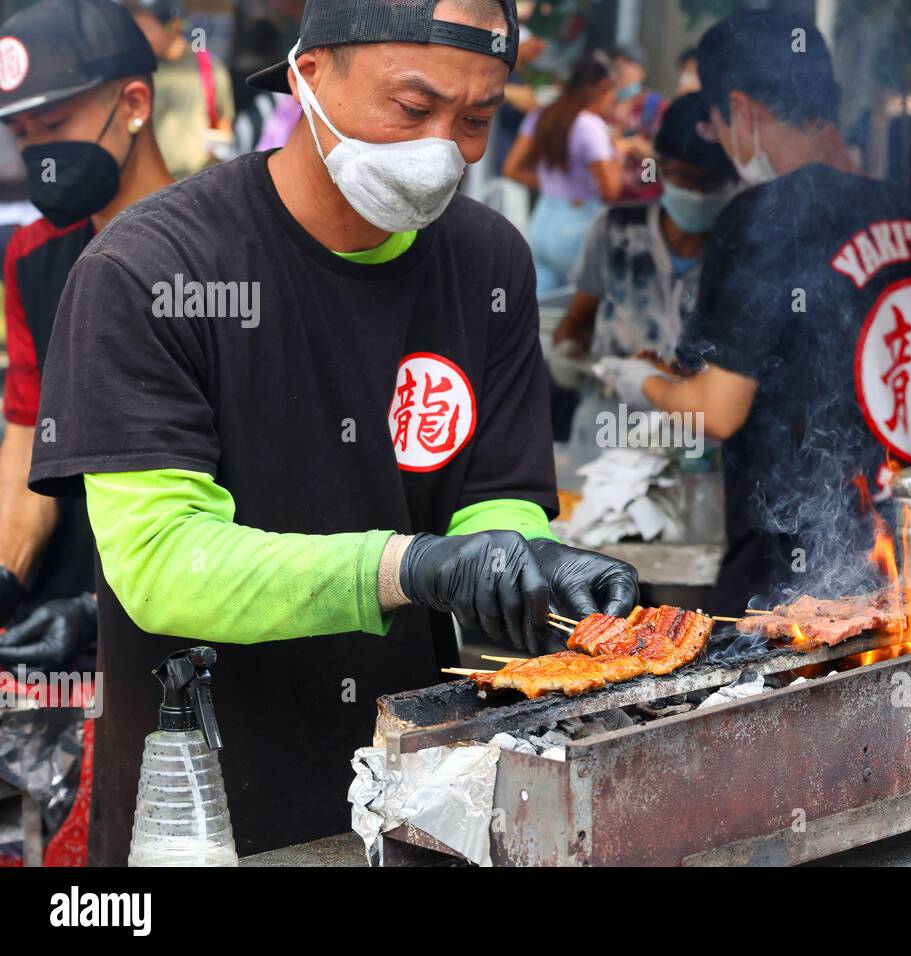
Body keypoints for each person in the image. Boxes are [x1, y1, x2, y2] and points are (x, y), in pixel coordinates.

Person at [28, 0, 637, 865]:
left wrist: (521, 565)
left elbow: (498, 496)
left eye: (476, 119)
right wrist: (408, 566)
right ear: (309, 77)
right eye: (413, 108)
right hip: (208, 806)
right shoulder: (150, 269)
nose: (443, 149)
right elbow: (160, 563)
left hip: (426, 795)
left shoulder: (488, 261)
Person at [595, 11, 911, 610]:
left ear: (740, 109)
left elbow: (717, 412)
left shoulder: (765, 216)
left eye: (717, 121)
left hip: (800, 579)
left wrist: (641, 383)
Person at [0, 0, 171, 671]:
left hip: (194, 620)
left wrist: (106, 608)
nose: (39, 151)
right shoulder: (34, 258)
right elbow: (25, 433)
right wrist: (9, 572)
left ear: (133, 103)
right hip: (63, 620)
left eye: (56, 124)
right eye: (23, 134)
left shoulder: (228, 249)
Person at [554, 92, 736, 362]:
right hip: (611, 401)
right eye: (685, 178)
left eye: (712, 183)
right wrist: (568, 350)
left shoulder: (742, 250)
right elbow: (578, 319)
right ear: (660, 168)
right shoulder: (616, 232)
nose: (698, 193)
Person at [504, 51, 624, 292]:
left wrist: (553, 186)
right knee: (578, 312)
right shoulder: (591, 125)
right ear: (602, 86)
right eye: (613, 92)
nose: (614, 99)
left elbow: (511, 169)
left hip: (542, 221)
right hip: (577, 226)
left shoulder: (543, 115)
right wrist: (619, 153)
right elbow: (610, 192)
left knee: (540, 309)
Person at [125, 0, 234, 178]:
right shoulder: (135, 71)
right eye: (135, 31)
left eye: (147, 31)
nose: (140, 39)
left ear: (174, 27)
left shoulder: (209, 69)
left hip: (194, 183)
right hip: (146, 182)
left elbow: (223, 123)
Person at [606, 44, 667, 203]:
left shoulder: (654, 105)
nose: (622, 69)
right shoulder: (604, 105)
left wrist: (633, 146)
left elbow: (658, 154)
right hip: (608, 193)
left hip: (642, 195)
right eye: (617, 65)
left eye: (629, 63)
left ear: (642, 72)